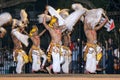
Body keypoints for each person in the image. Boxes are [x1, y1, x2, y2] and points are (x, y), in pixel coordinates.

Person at [43, 8, 65, 74]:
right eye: (56, 22)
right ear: (53, 23)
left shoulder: (60, 28)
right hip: (54, 46)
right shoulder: (51, 29)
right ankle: (55, 72)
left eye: (58, 22)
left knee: (62, 60)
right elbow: (44, 23)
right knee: (56, 60)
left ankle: (50, 67)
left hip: (59, 46)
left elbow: (66, 24)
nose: (57, 23)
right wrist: (45, 14)